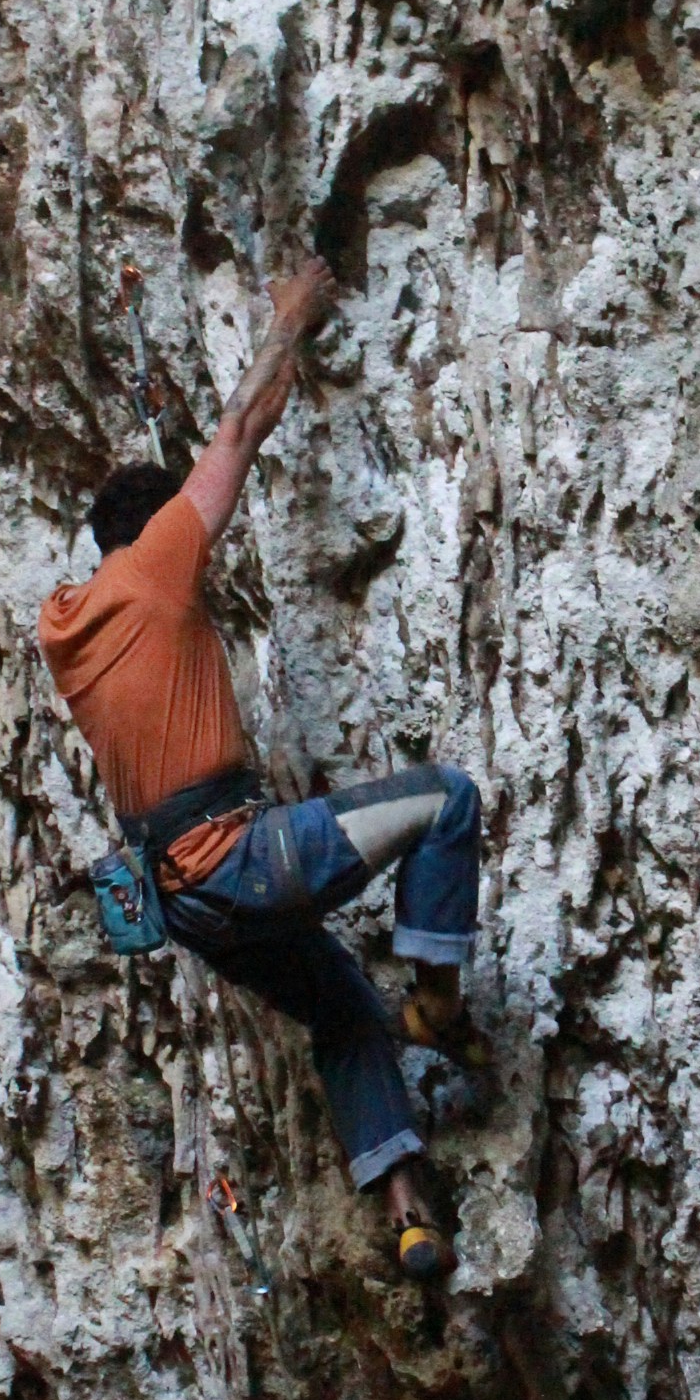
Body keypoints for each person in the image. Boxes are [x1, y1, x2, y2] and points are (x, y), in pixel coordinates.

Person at [37, 258, 486, 1279]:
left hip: (184, 906)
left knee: (338, 1012)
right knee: (446, 801)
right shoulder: (158, 568)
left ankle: (412, 1214)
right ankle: (440, 1006)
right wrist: (291, 317)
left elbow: (151, 533)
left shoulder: (67, 624)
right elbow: (240, 428)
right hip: (240, 858)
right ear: (156, 538)